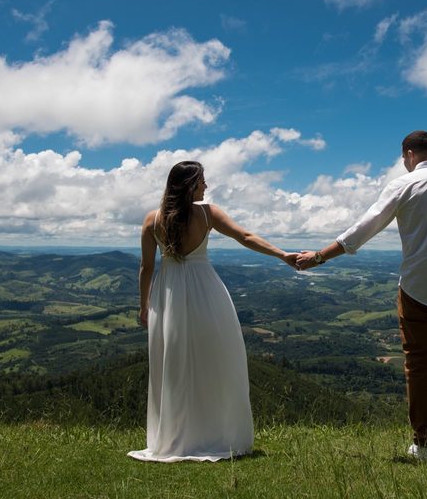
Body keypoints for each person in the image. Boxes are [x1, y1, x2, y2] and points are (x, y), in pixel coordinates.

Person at [297, 130, 427, 463]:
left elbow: (363, 228)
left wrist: (319, 257)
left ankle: (426, 445)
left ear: (408, 154)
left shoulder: (403, 186)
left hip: (416, 291)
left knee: (417, 368)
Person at [128, 160, 299, 463]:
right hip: (207, 291)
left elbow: (146, 268)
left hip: (167, 294)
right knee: (217, 361)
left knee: (174, 365)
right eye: (202, 181)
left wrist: (144, 305)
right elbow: (245, 237)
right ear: (190, 185)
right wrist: (282, 255)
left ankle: (175, 435)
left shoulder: (152, 221)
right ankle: (217, 433)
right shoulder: (207, 213)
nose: (206, 186)